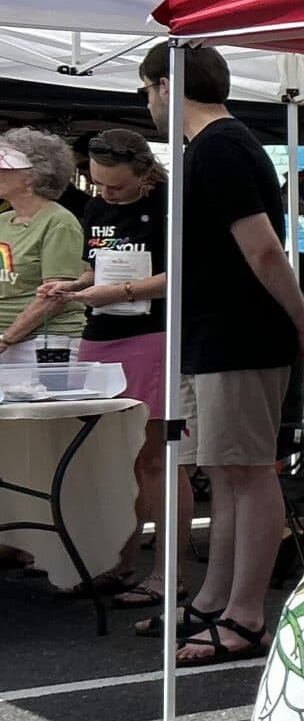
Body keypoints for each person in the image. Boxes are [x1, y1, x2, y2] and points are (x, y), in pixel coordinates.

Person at [139, 42, 304, 665]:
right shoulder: (211, 148)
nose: (149, 104)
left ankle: (244, 613)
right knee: (226, 471)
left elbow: (263, 248)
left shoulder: (222, 148)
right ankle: (217, 600)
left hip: (238, 335)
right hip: (213, 335)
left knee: (245, 473)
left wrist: (302, 317)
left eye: (147, 91)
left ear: (165, 85)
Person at [37, 128, 183, 617]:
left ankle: (167, 572)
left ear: (145, 174)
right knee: (115, 457)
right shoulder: (97, 208)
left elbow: (181, 274)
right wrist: (71, 286)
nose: (105, 195)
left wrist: (118, 293)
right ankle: (118, 559)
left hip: (151, 334)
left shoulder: (169, 205)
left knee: (156, 458)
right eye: (98, 185)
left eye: (116, 187)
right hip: (100, 335)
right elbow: (95, 268)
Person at [0, 127, 90, 364]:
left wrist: (6, 338)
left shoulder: (59, 223)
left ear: (31, 175)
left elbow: (56, 295)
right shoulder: (3, 220)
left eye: (5, 164)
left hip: (44, 344)